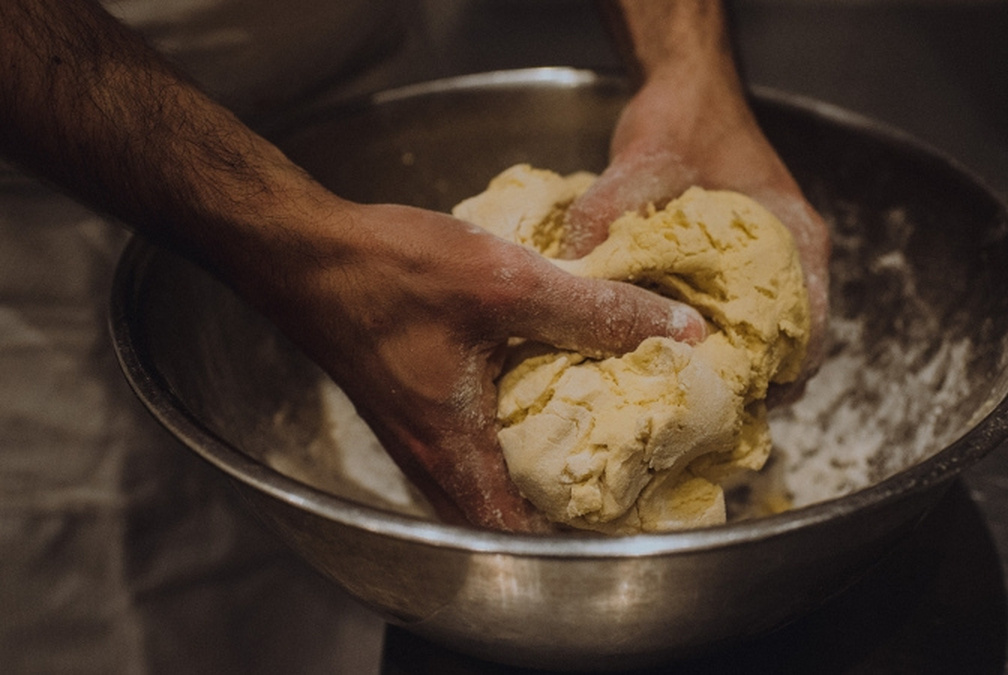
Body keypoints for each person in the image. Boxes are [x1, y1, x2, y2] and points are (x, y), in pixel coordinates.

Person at [1, 0, 828, 670]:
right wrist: (307, 255)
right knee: (172, 617)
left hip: (366, 76)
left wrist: (688, 60)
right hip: (54, 163)